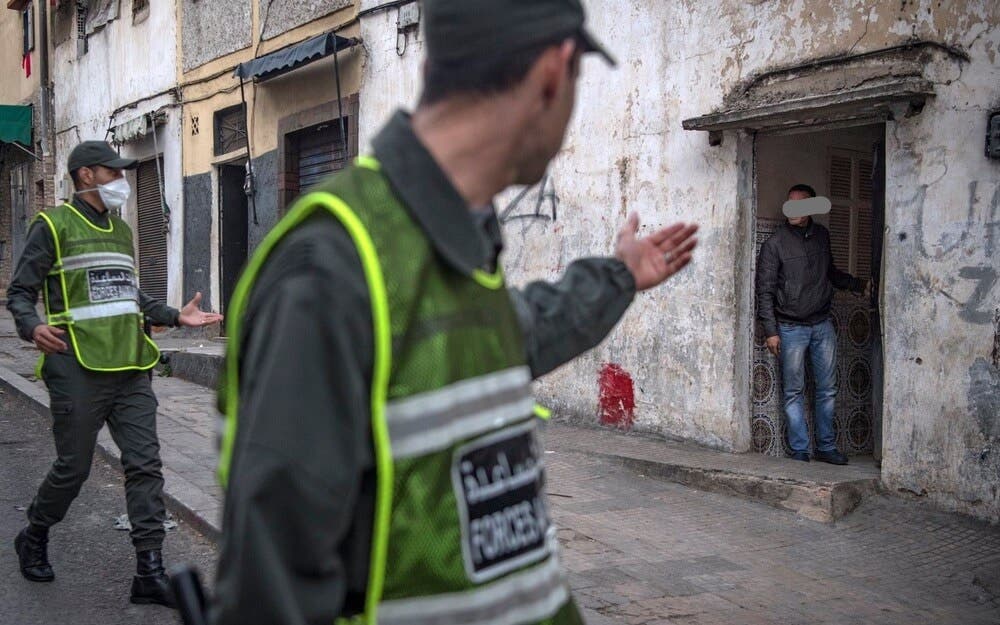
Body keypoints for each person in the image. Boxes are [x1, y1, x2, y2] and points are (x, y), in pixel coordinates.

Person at [211, 1, 699, 623]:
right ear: (555, 71)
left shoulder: (455, 239)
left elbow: (509, 336)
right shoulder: (334, 268)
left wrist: (619, 276)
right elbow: (268, 593)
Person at [6, 141, 223, 607]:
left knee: (145, 466)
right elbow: (20, 292)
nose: (122, 179)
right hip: (76, 366)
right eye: (114, 171)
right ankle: (35, 534)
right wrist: (32, 325)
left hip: (131, 367)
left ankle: (150, 570)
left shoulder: (122, 233)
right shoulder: (52, 226)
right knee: (74, 467)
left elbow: (131, 296)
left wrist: (172, 314)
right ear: (86, 175)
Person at [756, 183, 868, 464]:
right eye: (790, 203)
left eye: (800, 204)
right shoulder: (776, 244)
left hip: (822, 324)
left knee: (827, 388)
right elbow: (765, 290)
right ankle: (799, 450)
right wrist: (771, 331)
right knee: (794, 390)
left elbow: (830, 273)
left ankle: (826, 447)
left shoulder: (822, 237)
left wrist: (858, 284)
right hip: (790, 328)